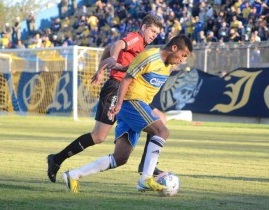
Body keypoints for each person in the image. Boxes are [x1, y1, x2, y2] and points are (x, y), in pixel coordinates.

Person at [62, 34, 193, 193]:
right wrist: (118, 104)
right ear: (174, 48)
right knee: (162, 130)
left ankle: (73, 174)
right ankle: (146, 178)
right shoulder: (150, 56)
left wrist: (116, 66)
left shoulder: (168, 65)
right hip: (131, 102)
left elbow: (132, 69)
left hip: (137, 105)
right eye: (182, 55)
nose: (182, 60)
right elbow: (125, 80)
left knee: (120, 158)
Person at [47, 14, 163, 183]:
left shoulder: (143, 46)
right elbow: (116, 44)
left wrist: (102, 68)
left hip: (129, 93)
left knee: (157, 121)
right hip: (115, 89)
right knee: (98, 136)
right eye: (152, 31)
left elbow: (108, 48)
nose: (154, 35)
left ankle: (147, 164)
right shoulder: (136, 38)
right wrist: (113, 59)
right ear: (144, 27)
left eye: (157, 33)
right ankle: (56, 159)